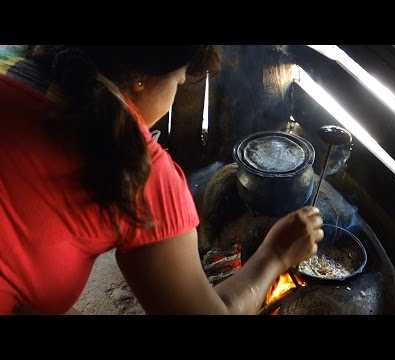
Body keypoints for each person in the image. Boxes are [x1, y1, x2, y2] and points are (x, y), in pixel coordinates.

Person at [0, 45, 324, 315]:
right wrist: (276, 255)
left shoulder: (9, 61)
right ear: (140, 78)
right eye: (180, 81)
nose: (176, 91)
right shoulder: (138, 168)